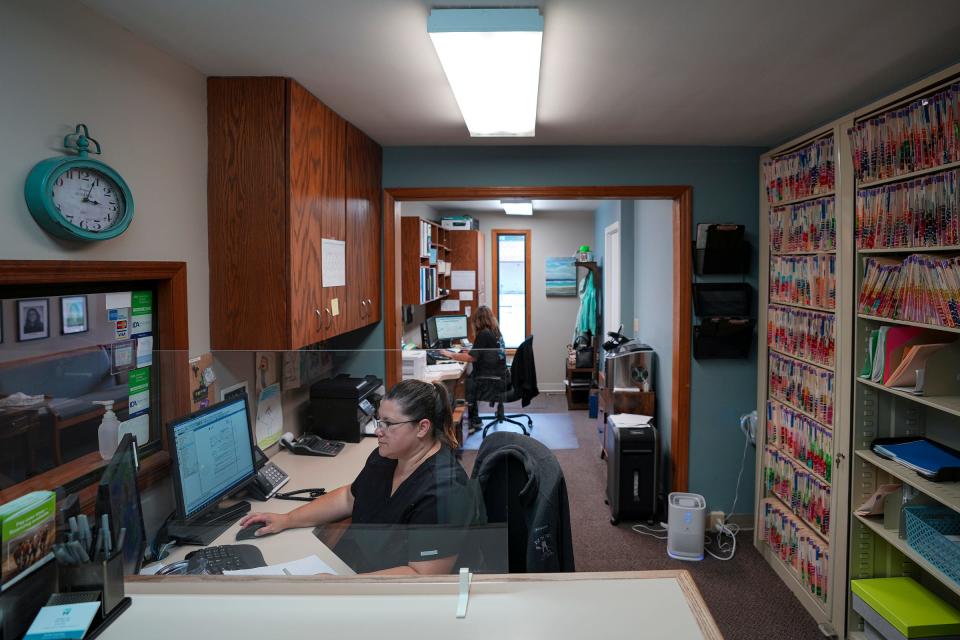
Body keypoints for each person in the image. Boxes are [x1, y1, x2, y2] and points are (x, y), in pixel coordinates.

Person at [238, 379, 483, 575]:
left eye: (388, 423)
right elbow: (349, 497)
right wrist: (287, 519)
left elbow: (422, 574)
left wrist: (342, 587)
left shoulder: (445, 490)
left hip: (403, 598)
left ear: (422, 428)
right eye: (379, 420)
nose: (378, 431)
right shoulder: (387, 456)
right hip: (367, 571)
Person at [439, 305, 506, 430]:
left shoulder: (483, 334)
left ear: (477, 321)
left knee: (465, 383)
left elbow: (471, 358)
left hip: (490, 378)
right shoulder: (494, 330)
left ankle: (474, 421)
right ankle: (472, 419)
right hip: (500, 374)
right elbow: (480, 352)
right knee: (469, 377)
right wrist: (467, 352)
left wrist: (451, 354)